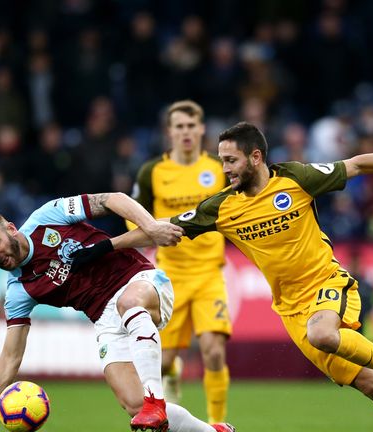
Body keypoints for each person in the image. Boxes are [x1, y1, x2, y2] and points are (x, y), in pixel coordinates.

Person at [87, 122, 373, 431]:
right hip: (290, 308)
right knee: (372, 386)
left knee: (324, 334)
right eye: (221, 161)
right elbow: (158, 226)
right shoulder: (221, 207)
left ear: (255, 157)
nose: (225, 168)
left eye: (230, 160)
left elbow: (357, 164)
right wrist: (105, 246)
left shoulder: (296, 178)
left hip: (328, 283)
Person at [0, 192, 235, 432]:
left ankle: (156, 400)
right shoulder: (18, 290)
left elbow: (112, 199)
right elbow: (10, 356)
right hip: (105, 319)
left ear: (10, 229)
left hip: (139, 281)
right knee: (133, 404)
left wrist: (150, 226)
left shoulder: (47, 216)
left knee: (128, 303)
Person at [130, 100, 231, 423]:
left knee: (214, 351)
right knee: (163, 362)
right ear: (170, 131)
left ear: (201, 129)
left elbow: (239, 206)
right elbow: (133, 217)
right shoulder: (153, 172)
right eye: (180, 127)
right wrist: (150, 232)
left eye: (191, 126)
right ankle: (171, 374)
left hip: (209, 273)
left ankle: (218, 423)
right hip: (170, 275)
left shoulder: (219, 168)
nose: (186, 132)